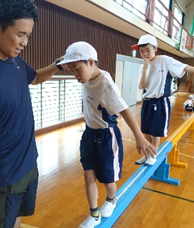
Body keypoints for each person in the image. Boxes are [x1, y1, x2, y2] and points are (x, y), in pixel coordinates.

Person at [0, 1, 64, 227]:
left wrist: (58, 64)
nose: (25, 42)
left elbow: (34, 78)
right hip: (3, 177)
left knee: (16, 218)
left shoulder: (14, 60)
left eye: (28, 35)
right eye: (20, 34)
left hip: (28, 164)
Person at [57, 41, 157, 228]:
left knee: (108, 179)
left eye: (77, 69)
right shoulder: (87, 76)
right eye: (72, 70)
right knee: (89, 176)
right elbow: (69, 63)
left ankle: (111, 199)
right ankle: (94, 214)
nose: (75, 74)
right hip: (89, 135)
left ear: (91, 62)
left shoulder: (106, 85)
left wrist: (140, 137)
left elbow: (125, 110)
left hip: (106, 137)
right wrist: (68, 61)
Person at [131, 34, 194, 165]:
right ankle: (147, 155)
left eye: (148, 50)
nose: (145, 54)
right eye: (142, 52)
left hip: (160, 101)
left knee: (155, 131)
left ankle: (153, 155)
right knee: (145, 131)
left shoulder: (164, 60)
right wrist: (146, 68)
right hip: (147, 101)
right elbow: (143, 86)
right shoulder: (143, 67)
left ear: (155, 48)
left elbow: (184, 67)